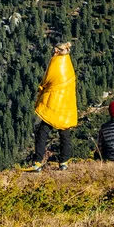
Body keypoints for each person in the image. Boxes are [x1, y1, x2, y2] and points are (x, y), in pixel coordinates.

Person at [29, 42, 78, 171]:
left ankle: (37, 162)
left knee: (42, 131)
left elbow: (47, 80)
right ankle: (64, 162)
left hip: (54, 103)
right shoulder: (68, 63)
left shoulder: (56, 62)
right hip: (66, 103)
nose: (53, 52)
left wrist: (40, 89)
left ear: (58, 51)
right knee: (64, 133)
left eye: (55, 50)